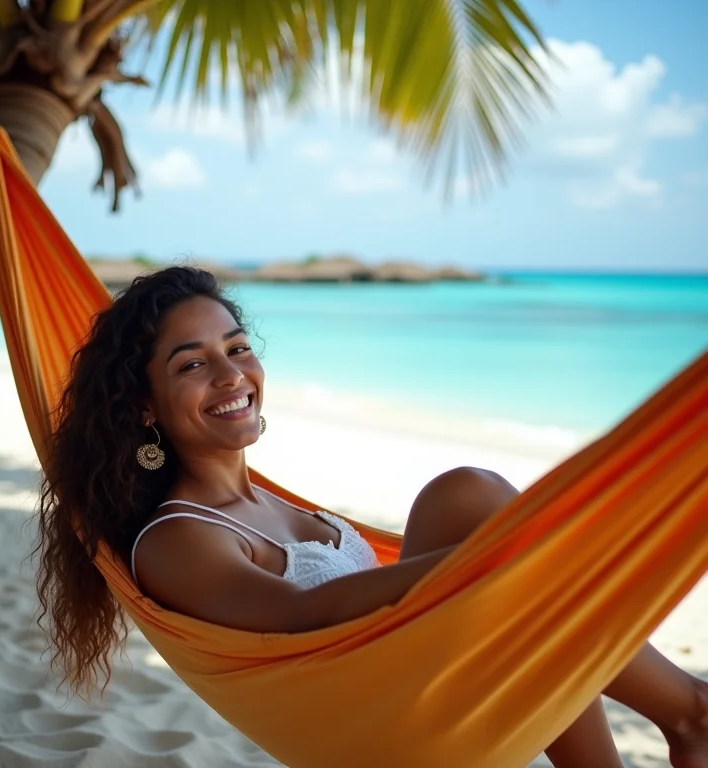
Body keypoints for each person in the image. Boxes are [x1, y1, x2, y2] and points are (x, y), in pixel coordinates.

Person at [36, 266, 708, 768]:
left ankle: (683, 720)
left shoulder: (268, 500)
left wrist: (510, 563)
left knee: (462, 495)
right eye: (192, 364)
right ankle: (691, 716)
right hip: (390, 727)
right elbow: (310, 614)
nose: (230, 374)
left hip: (410, 670)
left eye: (237, 348)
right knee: (507, 551)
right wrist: (497, 566)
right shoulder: (177, 538)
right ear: (145, 406)